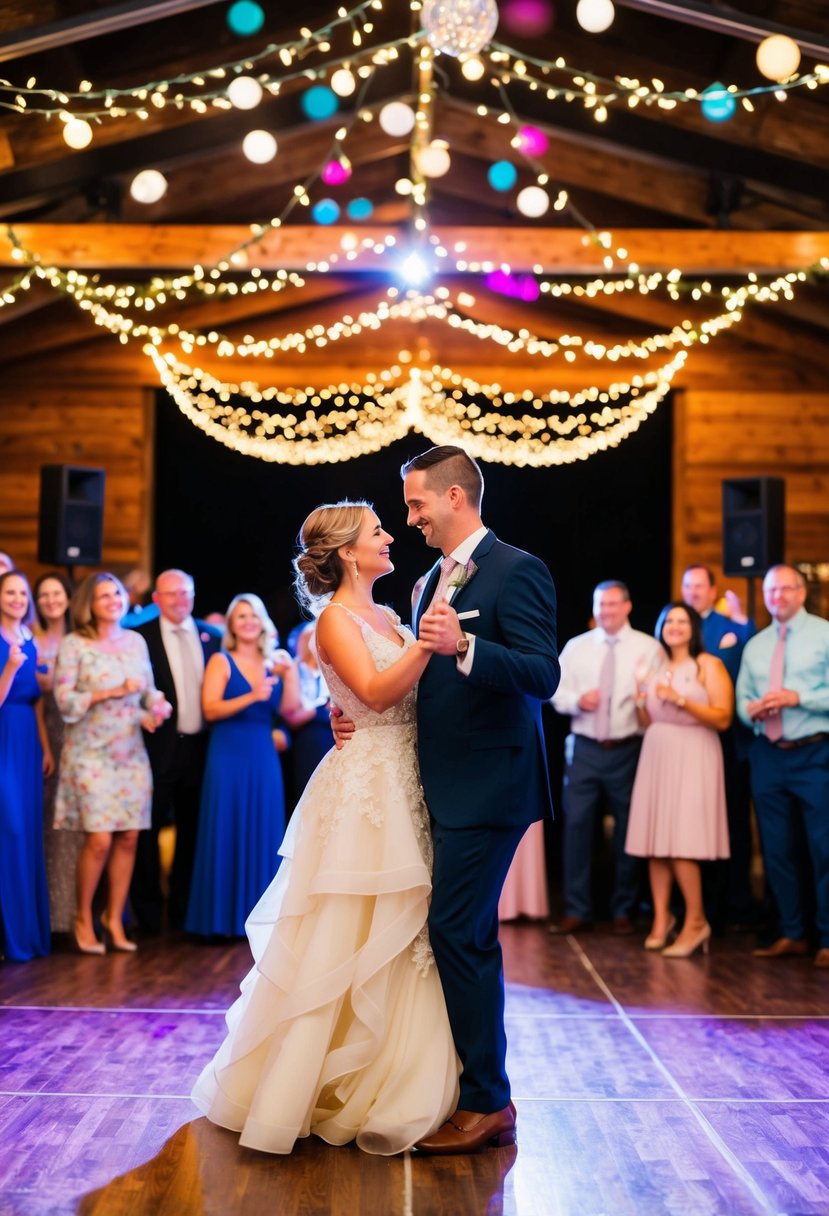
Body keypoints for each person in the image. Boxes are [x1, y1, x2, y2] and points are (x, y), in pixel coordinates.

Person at [192, 502, 459, 1154]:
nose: (390, 537)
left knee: (408, 935)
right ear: (346, 552)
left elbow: (400, 696)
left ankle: (396, 1075)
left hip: (406, 779)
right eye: (377, 533)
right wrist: (424, 644)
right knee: (347, 932)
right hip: (366, 786)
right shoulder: (333, 620)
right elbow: (371, 693)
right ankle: (317, 1083)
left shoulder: (389, 617)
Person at [336, 445, 559, 1153]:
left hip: (490, 784)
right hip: (432, 781)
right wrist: (354, 715)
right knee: (447, 933)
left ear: (455, 497)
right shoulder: (427, 577)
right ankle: (447, 1084)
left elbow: (541, 674)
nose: (409, 520)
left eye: (415, 505)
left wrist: (466, 645)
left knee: (458, 932)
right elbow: (411, 677)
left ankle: (488, 1102)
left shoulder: (518, 570)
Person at [54, 572, 172, 954]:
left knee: (129, 837)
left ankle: (114, 919)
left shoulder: (135, 642)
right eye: (104, 596)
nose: (112, 601)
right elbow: (66, 703)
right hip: (90, 752)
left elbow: (146, 691)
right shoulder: (75, 644)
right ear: (90, 603)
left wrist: (156, 705)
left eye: (116, 595)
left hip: (130, 751)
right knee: (100, 839)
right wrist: (112, 691)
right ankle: (83, 917)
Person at [550, 580, 663, 935]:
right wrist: (577, 701)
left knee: (629, 831)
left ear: (627, 607)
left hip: (628, 748)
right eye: (600, 605)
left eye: (613, 605)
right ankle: (577, 908)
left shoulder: (649, 648)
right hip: (583, 746)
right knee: (577, 827)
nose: (606, 611)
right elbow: (555, 689)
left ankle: (624, 909)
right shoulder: (576, 647)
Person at [185, 594, 300, 938]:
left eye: (254, 615)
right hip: (228, 754)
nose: (248, 621)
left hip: (262, 755)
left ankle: (261, 922)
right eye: (241, 616)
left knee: (263, 828)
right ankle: (221, 921)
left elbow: (292, 711)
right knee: (226, 826)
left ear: (263, 622)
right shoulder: (221, 661)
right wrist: (253, 695)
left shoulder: (275, 662)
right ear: (232, 625)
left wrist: (290, 672)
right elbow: (210, 710)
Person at [625, 602, 732, 958]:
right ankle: (661, 920)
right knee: (656, 841)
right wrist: (642, 701)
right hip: (658, 751)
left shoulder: (708, 665)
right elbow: (645, 722)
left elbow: (723, 717)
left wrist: (680, 699)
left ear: (693, 628)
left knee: (683, 841)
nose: (674, 626)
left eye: (682, 620)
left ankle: (697, 922)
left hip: (694, 752)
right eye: (668, 619)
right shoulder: (656, 667)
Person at [736, 565, 829, 967]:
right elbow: (742, 698)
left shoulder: (824, 634)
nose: (777, 596)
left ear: (802, 592)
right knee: (777, 849)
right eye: (771, 590)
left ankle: (826, 938)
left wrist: (799, 697)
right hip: (768, 754)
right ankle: (793, 933)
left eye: (786, 589)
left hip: (814, 752)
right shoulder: (756, 645)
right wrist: (750, 710)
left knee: (823, 848)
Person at [130, 570, 222, 933]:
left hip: (200, 748)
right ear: (156, 598)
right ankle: (149, 917)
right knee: (147, 831)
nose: (180, 600)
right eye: (172, 594)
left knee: (193, 831)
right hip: (155, 748)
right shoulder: (140, 637)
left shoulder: (212, 636)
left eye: (186, 592)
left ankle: (185, 913)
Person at [681, 565, 758, 930]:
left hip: (728, 742)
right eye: (688, 586)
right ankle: (699, 906)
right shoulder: (677, 626)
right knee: (693, 823)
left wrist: (742, 624)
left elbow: (748, 663)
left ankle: (737, 905)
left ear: (713, 591)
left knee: (733, 822)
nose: (693, 592)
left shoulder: (732, 629)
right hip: (687, 743)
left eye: (699, 586)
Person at [0, 570, 51, 961]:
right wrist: (11, 669)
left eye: (22, 592)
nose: (17, 598)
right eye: (9, 592)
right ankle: (7, 936)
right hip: (3, 740)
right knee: (11, 831)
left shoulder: (30, 641)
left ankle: (27, 935)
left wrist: (46, 748)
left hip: (27, 743)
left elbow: (36, 702)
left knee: (28, 835)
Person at [32, 571, 82, 935]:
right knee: (48, 824)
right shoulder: (29, 639)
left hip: (80, 732)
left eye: (57, 594)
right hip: (44, 729)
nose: (51, 600)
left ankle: (74, 911)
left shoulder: (80, 637)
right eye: (44, 595)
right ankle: (49, 912)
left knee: (76, 827)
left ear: (68, 598)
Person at [285, 621, 332, 808]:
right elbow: (291, 713)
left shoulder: (330, 667)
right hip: (305, 736)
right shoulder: (293, 669)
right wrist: (318, 708)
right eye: (307, 636)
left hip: (330, 732)